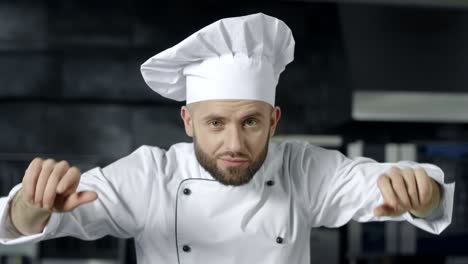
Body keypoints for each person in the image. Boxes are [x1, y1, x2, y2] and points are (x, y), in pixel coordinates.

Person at [0, 13, 454, 264]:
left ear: (274, 121)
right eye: (216, 123)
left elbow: (404, 189)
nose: (234, 143)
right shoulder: (150, 177)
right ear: (187, 121)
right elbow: (23, 221)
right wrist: (29, 207)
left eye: (251, 122)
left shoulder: (301, 170)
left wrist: (423, 193)